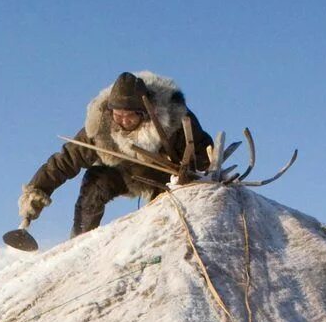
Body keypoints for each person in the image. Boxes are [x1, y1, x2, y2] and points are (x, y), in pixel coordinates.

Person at [19, 71, 211, 238]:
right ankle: (81, 241)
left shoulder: (173, 119)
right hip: (123, 171)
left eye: (130, 116)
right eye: (118, 115)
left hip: (164, 175)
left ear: (145, 113)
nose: (123, 121)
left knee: (165, 209)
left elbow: (202, 151)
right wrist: (39, 189)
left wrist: (196, 170)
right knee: (95, 182)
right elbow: (67, 159)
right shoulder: (101, 126)